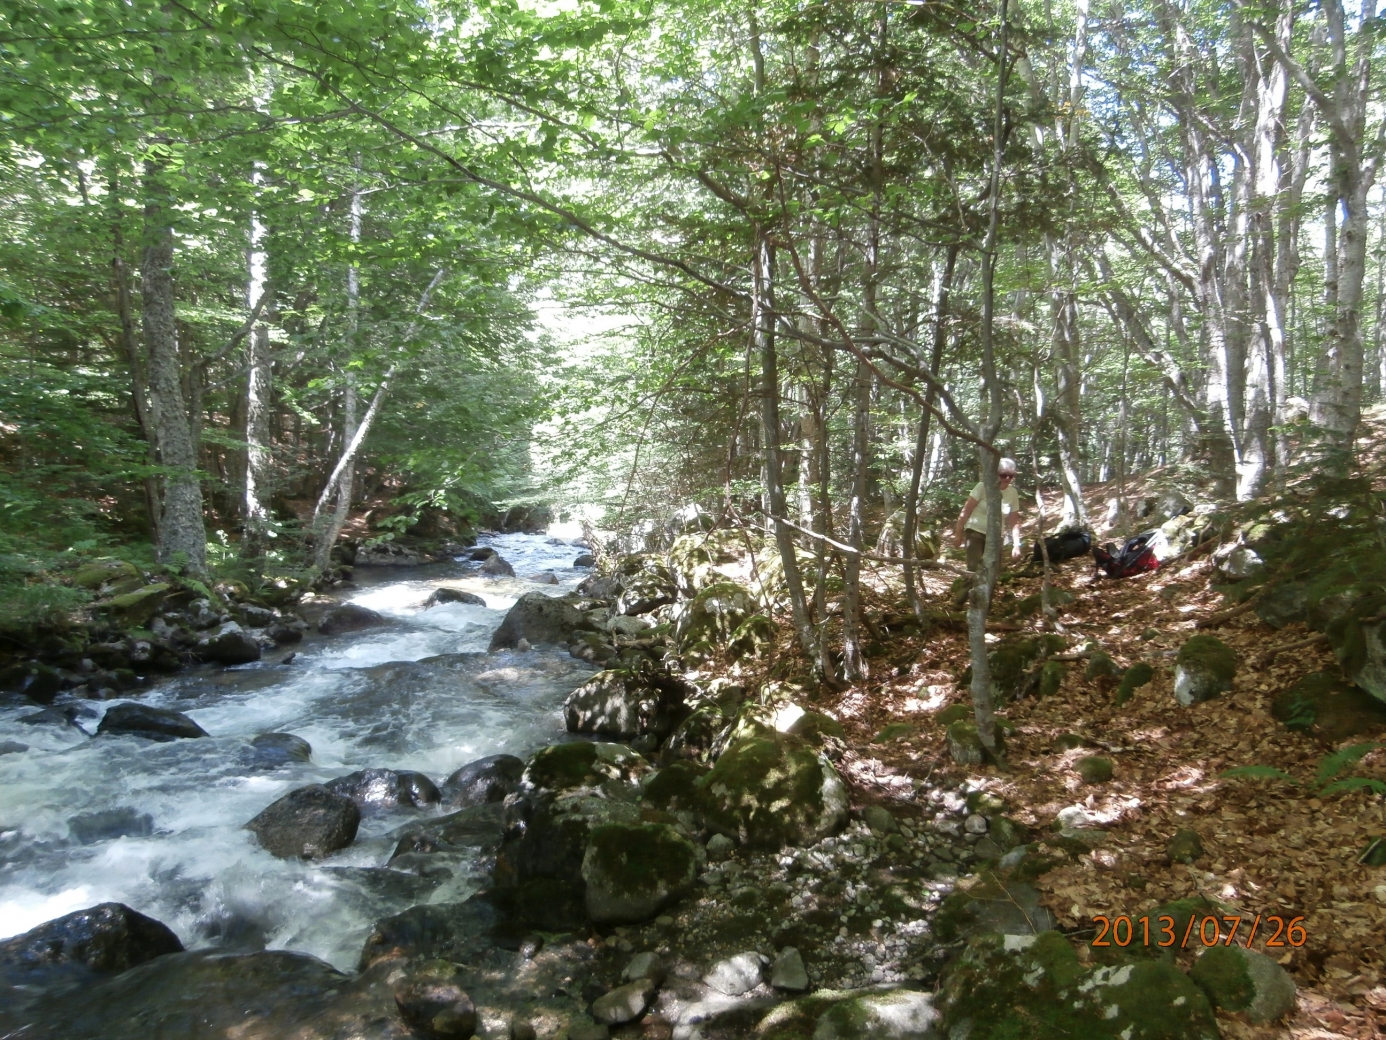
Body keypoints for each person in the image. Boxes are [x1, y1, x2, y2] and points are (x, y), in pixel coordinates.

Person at [953, 458, 1022, 572]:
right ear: (996, 474)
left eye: (1011, 476)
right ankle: (970, 583)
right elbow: (965, 512)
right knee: (975, 568)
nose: (1007, 478)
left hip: (996, 536)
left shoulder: (1012, 493)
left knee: (993, 571)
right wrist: (958, 534)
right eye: (1003, 475)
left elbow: (1014, 523)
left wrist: (1017, 545)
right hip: (975, 532)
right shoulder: (983, 487)